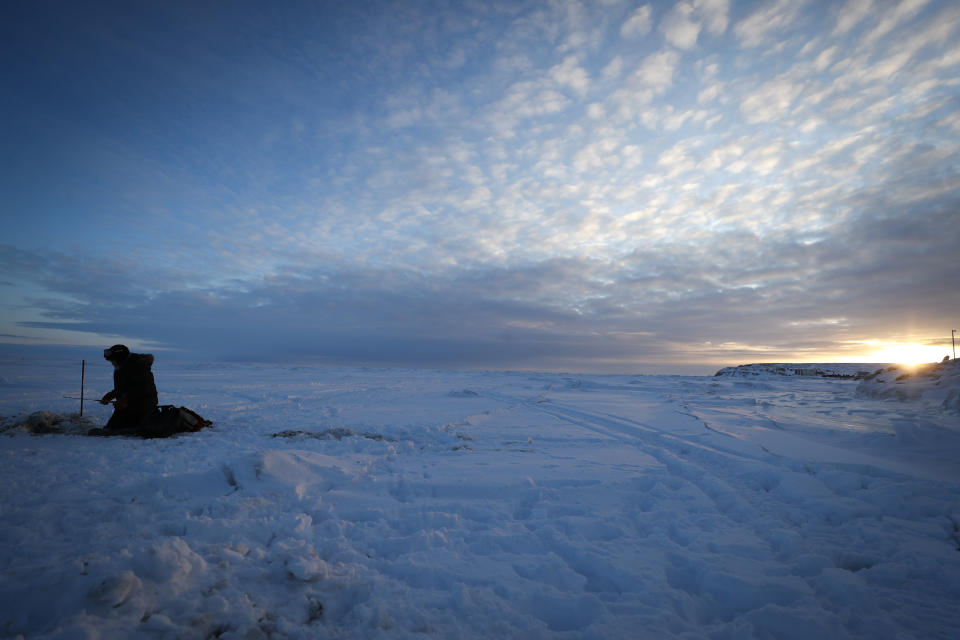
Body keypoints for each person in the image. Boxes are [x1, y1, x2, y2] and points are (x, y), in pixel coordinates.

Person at [93, 344, 159, 435]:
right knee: (114, 425)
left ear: (120, 358)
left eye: (113, 360)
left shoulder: (137, 366)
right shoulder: (122, 367)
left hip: (143, 405)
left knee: (124, 427)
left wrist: (125, 399)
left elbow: (142, 389)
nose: (112, 363)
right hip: (127, 404)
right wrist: (112, 395)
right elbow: (125, 386)